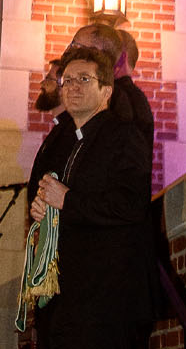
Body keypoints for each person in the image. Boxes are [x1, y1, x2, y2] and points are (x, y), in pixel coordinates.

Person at [25, 46, 155, 347]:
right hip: (65, 296)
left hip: (107, 299)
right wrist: (43, 211)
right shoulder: (66, 141)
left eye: (84, 79)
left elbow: (131, 205)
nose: (72, 87)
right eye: (67, 80)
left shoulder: (124, 136)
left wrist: (67, 201)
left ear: (106, 91)